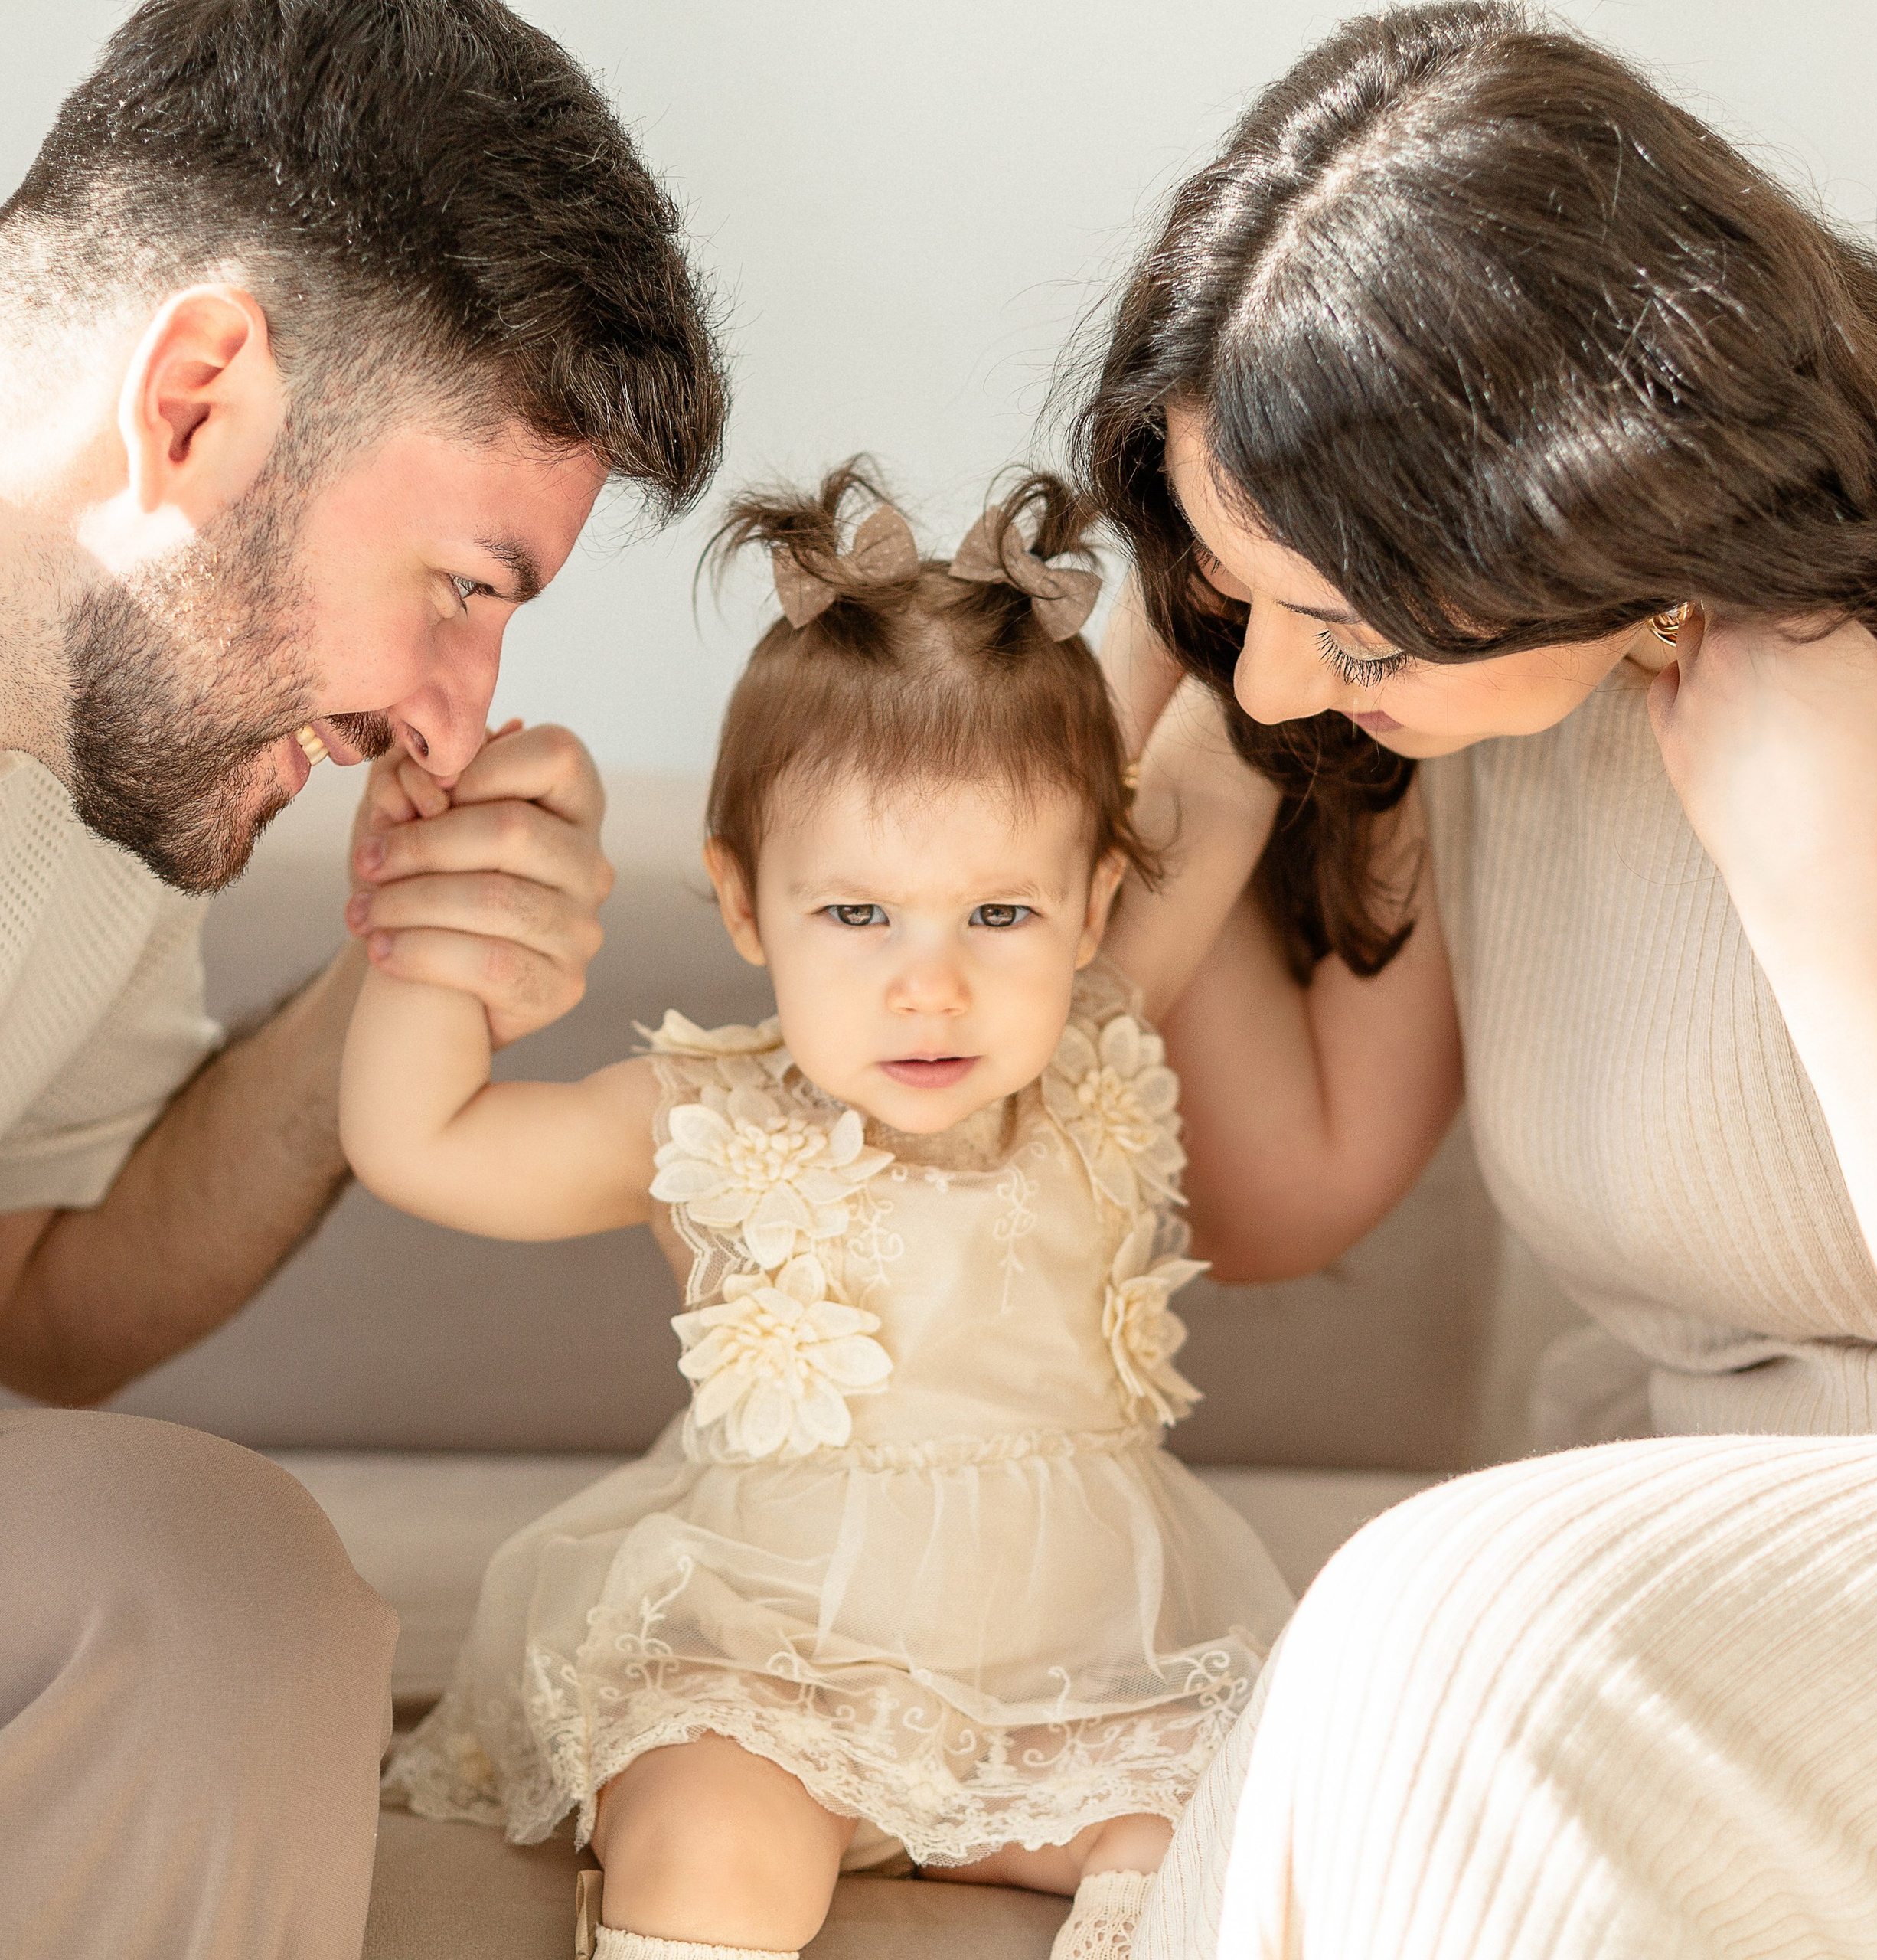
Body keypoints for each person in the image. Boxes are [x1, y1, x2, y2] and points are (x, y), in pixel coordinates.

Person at [1066, 4, 1877, 1955]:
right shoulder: (1480, 698)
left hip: (1836, 1571)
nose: (1294, 678)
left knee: (1459, 1625)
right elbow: (1279, 1192)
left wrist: (1831, 878)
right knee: (1418, 1636)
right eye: (1258, 600)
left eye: (1346, 630)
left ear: (1591, 526)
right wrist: (1176, 727)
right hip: (1663, 1538)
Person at [341, 466, 1296, 1960]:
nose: (930, 982)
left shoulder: (1099, 1030)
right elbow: (423, 1140)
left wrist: (1256, 520)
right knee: (715, 1840)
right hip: (775, 1675)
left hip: (1056, 1689)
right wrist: (437, 908)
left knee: (1232, 1822)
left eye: (998, 911)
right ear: (743, 901)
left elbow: (1232, 756)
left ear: (1095, 901)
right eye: (855, 912)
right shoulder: (706, 1121)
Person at [0, 2, 726, 1956]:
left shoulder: (113, 755)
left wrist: (396, 988)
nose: (451, 714)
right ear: (199, 398)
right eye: (464, 587)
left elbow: (45, 1310)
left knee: (227, 1587)